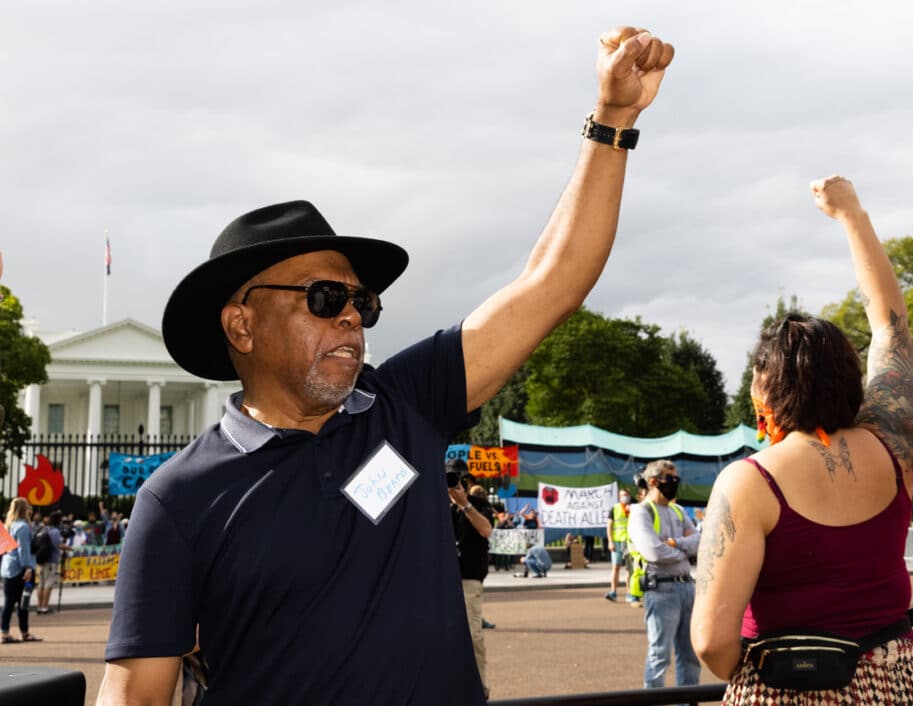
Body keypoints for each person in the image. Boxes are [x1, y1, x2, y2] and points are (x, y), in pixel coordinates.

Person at [96, 26, 674, 706]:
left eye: (359, 302)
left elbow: (553, 281)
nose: (350, 315)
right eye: (323, 297)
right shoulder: (178, 499)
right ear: (242, 324)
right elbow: (134, 697)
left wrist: (611, 120)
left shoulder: (407, 404)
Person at [690, 177, 913, 702]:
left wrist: (769, 669)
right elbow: (891, 330)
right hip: (901, 681)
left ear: (766, 394)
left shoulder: (749, 481)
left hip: (795, 686)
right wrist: (851, 215)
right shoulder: (893, 442)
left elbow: (711, 643)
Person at [628, 459, 701, 688]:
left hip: (687, 587)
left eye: (676, 479)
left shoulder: (678, 510)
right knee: (659, 655)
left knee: (690, 656)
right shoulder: (641, 512)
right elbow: (653, 552)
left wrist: (672, 543)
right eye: (670, 480)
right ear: (652, 482)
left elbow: (699, 541)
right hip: (661, 588)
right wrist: (683, 550)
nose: (675, 483)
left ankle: (688, 703)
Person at [448, 460, 495, 698]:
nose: (457, 485)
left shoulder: (477, 504)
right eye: (451, 480)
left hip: (469, 579)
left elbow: (486, 530)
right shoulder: (436, 506)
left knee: (473, 636)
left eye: (461, 480)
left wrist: (463, 504)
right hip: (442, 582)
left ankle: (478, 689)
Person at [2, 498, 42, 643]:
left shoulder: (9, 525)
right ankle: (22, 632)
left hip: (8, 567)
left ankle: (6, 632)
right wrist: (28, 568)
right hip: (21, 569)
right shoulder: (23, 527)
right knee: (23, 602)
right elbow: (23, 549)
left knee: (9, 602)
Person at [35, 510, 69, 615]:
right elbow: (58, 545)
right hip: (51, 560)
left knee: (41, 584)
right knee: (48, 585)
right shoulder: (55, 531)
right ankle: (45, 607)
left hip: (42, 559)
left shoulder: (43, 528)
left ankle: (40, 607)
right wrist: (69, 548)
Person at [605, 487, 635, 603]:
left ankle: (629, 593)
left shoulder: (633, 509)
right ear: (619, 496)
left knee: (629, 569)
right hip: (617, 541)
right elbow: (609, 526)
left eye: (626, 495)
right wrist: (610, 541)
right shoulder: (614, 508)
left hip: (629, 542)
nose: (624, 497)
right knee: (616, 567)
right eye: (622, 495)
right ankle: (613, 591)